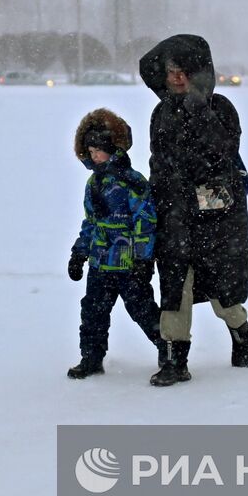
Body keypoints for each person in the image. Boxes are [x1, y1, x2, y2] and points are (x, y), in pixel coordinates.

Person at [139, 34, 248, 387]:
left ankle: (240, 329)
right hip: (173, 214)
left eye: (183, 71)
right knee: (175, 284)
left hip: (216, 219)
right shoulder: (160, 112)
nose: (176, 78)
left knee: (222, 291)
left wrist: (199, 109)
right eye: (171, 71)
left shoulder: (220, 108)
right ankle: (176, 359)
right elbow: (158, 161)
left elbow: (222, 153)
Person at [66, 108, 163, 379]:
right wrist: (80, 253)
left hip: (129, 263)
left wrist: (144, 258)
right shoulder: (93, 184)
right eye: (90, 150)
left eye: (99, 149)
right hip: (100, 263)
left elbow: (145, 222)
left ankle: (169, 352)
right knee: (93, 311)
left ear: (113, 148)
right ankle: (91, 358)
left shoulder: (132, 182)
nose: (94, 155)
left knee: (142, 310)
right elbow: (91, 222)